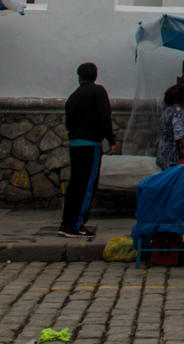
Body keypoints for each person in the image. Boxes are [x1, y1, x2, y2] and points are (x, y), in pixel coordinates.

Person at [59, 62, 116, 239]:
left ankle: (66, 223)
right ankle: (77, 225)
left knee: (75, 184)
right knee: (87, 185)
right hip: (90, 145)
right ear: (95, 76)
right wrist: (110, 139)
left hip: (75, 144)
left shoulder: (73, 96)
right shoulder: (98, 92)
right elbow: (104, 117)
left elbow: (68, 123)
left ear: (79, 77)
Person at [156, 83, 184, 171]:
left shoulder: (168, 111)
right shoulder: (177, 111)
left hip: (164, 153)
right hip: (174, 156)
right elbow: (178, 132)